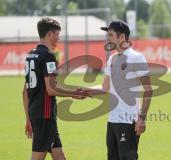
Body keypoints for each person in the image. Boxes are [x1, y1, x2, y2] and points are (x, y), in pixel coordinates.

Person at [22, 17, 87, 160]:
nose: (59, 38)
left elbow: (24, 92)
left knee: (60, 157)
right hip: (44, 114)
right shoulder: (48, 55)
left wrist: (28, 119)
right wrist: (73, 93)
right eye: (57, 35)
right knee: (37, 157)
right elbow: (51, 89)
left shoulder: (31, 55)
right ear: (50, 34)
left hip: (37, 113)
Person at [97, 20, 152, 160]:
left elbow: (148, 90)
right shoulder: (112, 59)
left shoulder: (136, 57)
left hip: (128, 121)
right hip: (112, 121)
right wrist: (84, 91)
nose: (107, 38)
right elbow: (104, 87)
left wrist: (142, 118)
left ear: (122, 37)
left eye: (110, 35)